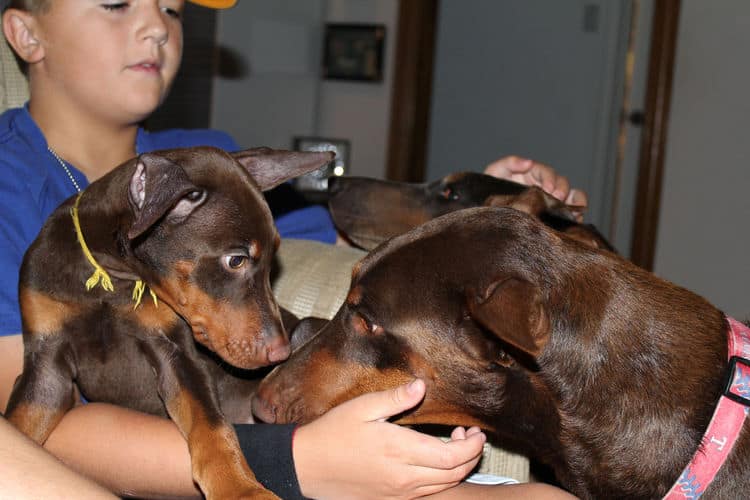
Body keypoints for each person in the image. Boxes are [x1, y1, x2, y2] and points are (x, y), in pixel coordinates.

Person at [0, 0, 583, 498]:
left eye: (172, 9)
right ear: (27, 34)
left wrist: (482, 212)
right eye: (116, 2)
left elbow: (361, 246)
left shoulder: (216, 161)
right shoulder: (11, 184)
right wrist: (296, 461)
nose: (158, 25)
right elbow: (26, 437)